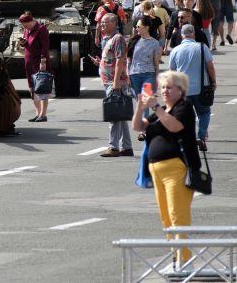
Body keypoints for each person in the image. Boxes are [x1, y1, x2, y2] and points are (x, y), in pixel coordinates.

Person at [131, 71, 200, 270]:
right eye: (162, 87)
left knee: (178, 215)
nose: (164, 91)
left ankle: (185, 261)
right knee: (166, 217)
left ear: (181, 90)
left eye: (169, 87)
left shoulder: (183, 107)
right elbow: (138, 127)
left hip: (176, 168)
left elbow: (175, 127)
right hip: (157, 169)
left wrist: (156, 107)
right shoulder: (161, 110)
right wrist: (140, 107)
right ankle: (176, 260)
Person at [91, 13, 133, 157]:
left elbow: (120, 60)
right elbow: (112, 60)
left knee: (114, 114)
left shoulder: (118, 38)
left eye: (105, 23)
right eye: (101, 23)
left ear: (114, 24)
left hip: (116, 82)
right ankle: (127, 147)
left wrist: (116, 82)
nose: (102, 25)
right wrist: (100, 62)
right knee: (120, 114)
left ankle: (114, 147)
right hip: (109, 81)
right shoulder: (107, 39)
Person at [169, 24, 216, 144]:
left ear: (182, 35)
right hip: (201, 88)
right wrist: (213, 82)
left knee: (185, 116)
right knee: (204, 112)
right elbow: (210, 67)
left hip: (183, 90)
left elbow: (172, 72)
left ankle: (187, 139)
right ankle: (201, 136)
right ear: (193, 33)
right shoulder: (202, 47)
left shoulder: (175, 50)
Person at [18, 12, 50, 122]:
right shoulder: (27, 30)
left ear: (32, 21)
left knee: (41, 87)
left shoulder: (41, 29)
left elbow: (44, 47)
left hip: (39, 61)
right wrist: (23, 43)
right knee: (32, 87)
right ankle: (37, 112)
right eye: (23, 25)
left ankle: (43, 114)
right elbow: (27, 43)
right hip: (29, 61)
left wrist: (43, 61)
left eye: (26, 24)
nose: (24, 27)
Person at [128, 17, 161, 113]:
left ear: (146, 27)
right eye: (136, 26)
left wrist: (157, 77)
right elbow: (128, 60)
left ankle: (144, 126)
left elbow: (156, 62)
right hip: (134, 75)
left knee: (145, 100)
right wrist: (127, 75)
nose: (136, 28)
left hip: (148, 75)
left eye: (139, 26)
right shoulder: (133, 41)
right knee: (140, 102)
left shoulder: (154, 42)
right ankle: (144, 124)